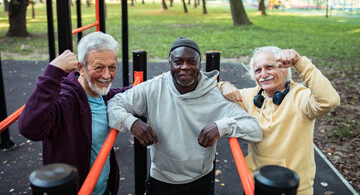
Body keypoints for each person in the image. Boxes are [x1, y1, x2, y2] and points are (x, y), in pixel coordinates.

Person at [107, 36, 263, 195]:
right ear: (170, 64)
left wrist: (223, 126)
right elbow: (114, 103)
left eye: (191, 62)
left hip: (201, 178)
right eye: (178, 62)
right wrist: (132, 123)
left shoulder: (215, 97)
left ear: (199, 64)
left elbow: (254, 130)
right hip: (162, 178)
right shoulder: (154, 88)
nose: (185, 67)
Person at [18, 32, 131, 195]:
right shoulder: (66, 101)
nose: (107, 75)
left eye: (112, 67)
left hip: (103, 188)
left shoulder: (102, 95)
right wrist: (53, 72)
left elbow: (127, 93)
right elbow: (29, 128)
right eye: (99, 67)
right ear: (81, 68)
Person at [218, 46, 340, 195]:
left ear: (284, 69)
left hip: (293, 188)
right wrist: (223, 85)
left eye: (269, 67)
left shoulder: (300, 98)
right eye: (258, 70)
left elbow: (329, 101)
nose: (263, 74)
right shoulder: (252, 96)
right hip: (254, 184)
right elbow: (212, 94)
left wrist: (300, 63)